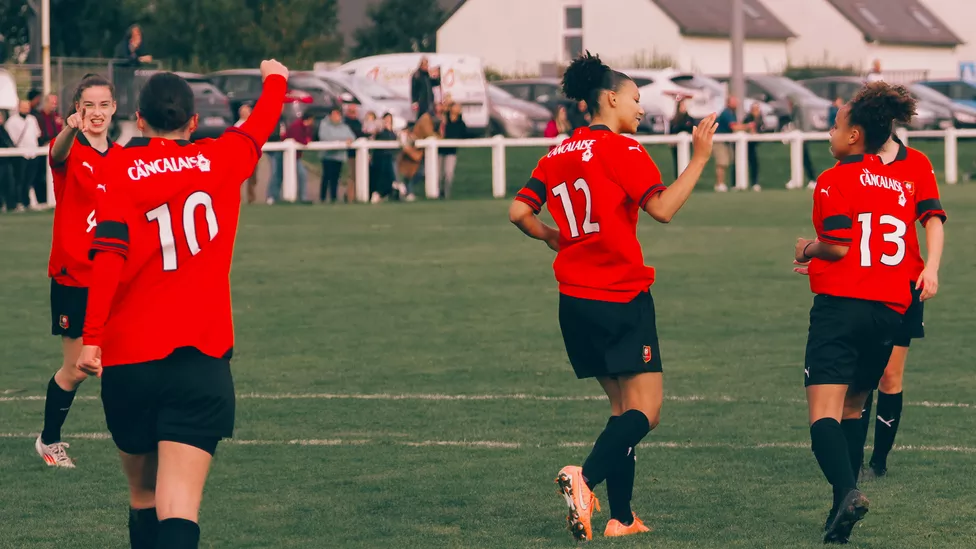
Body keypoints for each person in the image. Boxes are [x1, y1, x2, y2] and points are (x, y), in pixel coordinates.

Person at [76, 60, 288, 549]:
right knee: (180, 506)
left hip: (130, 359)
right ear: (194, 122)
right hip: (201, 359)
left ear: (139, 119)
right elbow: (258, 125)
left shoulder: (118, 167)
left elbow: (107, 256)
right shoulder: (220, 158)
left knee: (143, 494)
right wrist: (275, 77)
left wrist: (91, 339)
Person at [508, 51, 717, 542]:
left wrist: (551, 236)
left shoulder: (555, 153)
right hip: (620, 295)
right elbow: (662, 208)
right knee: (648, 411)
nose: (641, 110)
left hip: (573, 301)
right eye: (637, 99)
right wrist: (701, 158)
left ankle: (621, 518)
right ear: (611, 98)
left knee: (623, 411)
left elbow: (518, 211)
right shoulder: (623, 150)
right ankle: (584, 478)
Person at [791, 82, 921, 544]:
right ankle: (837, 516)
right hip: (889, 310)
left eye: (836, 123)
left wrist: (808, 248)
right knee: (853, 407)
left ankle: (848, 492)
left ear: (854, 136)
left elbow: (840, 246)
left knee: (822, 415)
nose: (830, 129)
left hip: (842, 306)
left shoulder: (833, 178)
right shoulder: (899, 182)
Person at [34, 74, 116, 468]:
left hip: (111, 276)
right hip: (73, 276)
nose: (95, 113)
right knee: (76, 368)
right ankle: (49, 441)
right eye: (88, 106)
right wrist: (69, 130)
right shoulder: (68, 148)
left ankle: (138, 432)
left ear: (114, 109)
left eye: (103, 105)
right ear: (77, 110)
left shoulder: (121, 158)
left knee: (122, 358)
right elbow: (57, 152)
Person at [855, 132, 946, 480]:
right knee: (861, 376)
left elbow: (932, 219)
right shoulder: (856, 160)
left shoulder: (917, 162)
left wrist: (932, 266)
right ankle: (854, 460)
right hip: (860, 284)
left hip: (903, 284)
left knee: (890, 375)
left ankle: (878, 462)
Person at [5, 99, 42, 211]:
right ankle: (19, 202)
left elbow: (36, 134)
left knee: (29, 179)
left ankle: (27, 202)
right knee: (19, 179)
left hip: (33, 153)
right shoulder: (12, 121)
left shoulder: (32, 119)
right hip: (20, 154)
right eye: (24, 106)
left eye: (27, 106)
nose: (26, 109)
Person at [318, 107, 355, 203]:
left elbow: (351, 137)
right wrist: (342, 140)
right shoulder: (324, 125)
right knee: (326, 177)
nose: (336, 117)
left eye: (338, 114)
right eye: (334, 114)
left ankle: (333, 198)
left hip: (339, 156)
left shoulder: (344, 127)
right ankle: (322, 198)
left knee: (335, 178)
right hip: (327, 156)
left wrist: (343, 140)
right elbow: (325, 137)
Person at [284, 112, 314, 202]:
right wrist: (306, 141)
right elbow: (298, 138)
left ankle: (302, 197)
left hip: (296, 156)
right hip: (290, 156)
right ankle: (301, 197)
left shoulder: (306, 127)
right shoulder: (297, 126)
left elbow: (309, 137)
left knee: (302, 174)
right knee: (301, 174)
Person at [439, 102, 467, 199]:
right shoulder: (444, 121)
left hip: (451, 151)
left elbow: (463, 135)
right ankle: (438, 192)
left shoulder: (461, 123)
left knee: (449, 173)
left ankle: (446, 194)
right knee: (439, 174)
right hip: (440, 150)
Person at [369, 113, 398, 203]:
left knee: (389, 176)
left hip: (389, 158)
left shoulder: (392, 132)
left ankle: (388, 191)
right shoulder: (379, 131)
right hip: (380, 158)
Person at [234, 104, 258, 204]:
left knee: (253, 178)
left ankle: (251, 198)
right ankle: (238, 199)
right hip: (241, 155)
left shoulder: (254, 124)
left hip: (253, 155)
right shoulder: (238, 126)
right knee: (239, 179)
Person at [342, 103, 365, 203]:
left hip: (358, 154)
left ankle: (353, 195)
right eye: (352, 111)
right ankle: (350, 197)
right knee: (352, 175)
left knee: (356, 175)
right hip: (350, 154)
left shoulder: (358, 122)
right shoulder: (346, 123)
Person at [741, 102, 765, 191]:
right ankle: (737, 183)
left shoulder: (760, 118)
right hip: (746, 144)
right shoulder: (748, 118)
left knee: (754, 164)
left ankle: (755, 183)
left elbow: (762, 129)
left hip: (754, 144)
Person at [668, 99, 695, 176]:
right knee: (677, 161)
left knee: (687, 161)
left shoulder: (689, 119)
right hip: (676, 145)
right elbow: (672, 130)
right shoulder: (674, 120)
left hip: (688, 144)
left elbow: (692, 129)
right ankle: (678, 178)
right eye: (682, 105)